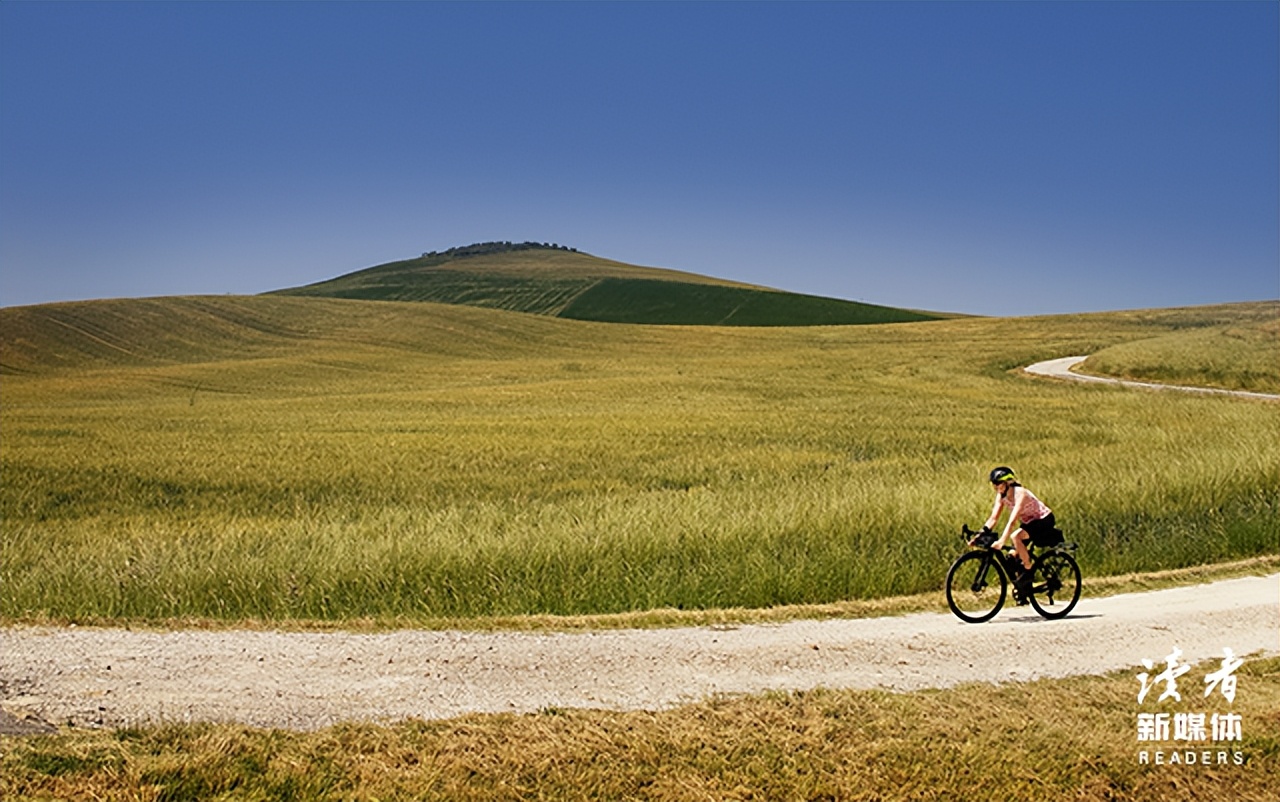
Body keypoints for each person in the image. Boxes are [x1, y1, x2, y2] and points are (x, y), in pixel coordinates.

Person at [976, 466, 1059, 588]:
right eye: (993, 483)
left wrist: (1002, 541)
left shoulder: (1021, 493)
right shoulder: (1002, 496)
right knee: (1012, 557)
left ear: (1008, 482)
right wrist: (980, 535)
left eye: (998, 483)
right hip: (1029, 523)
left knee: (1016, 537)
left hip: (1043, 520)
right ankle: (1024, 590)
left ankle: (1028, 571)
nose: (995, 486)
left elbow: (1012, 521)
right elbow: (993, 518)